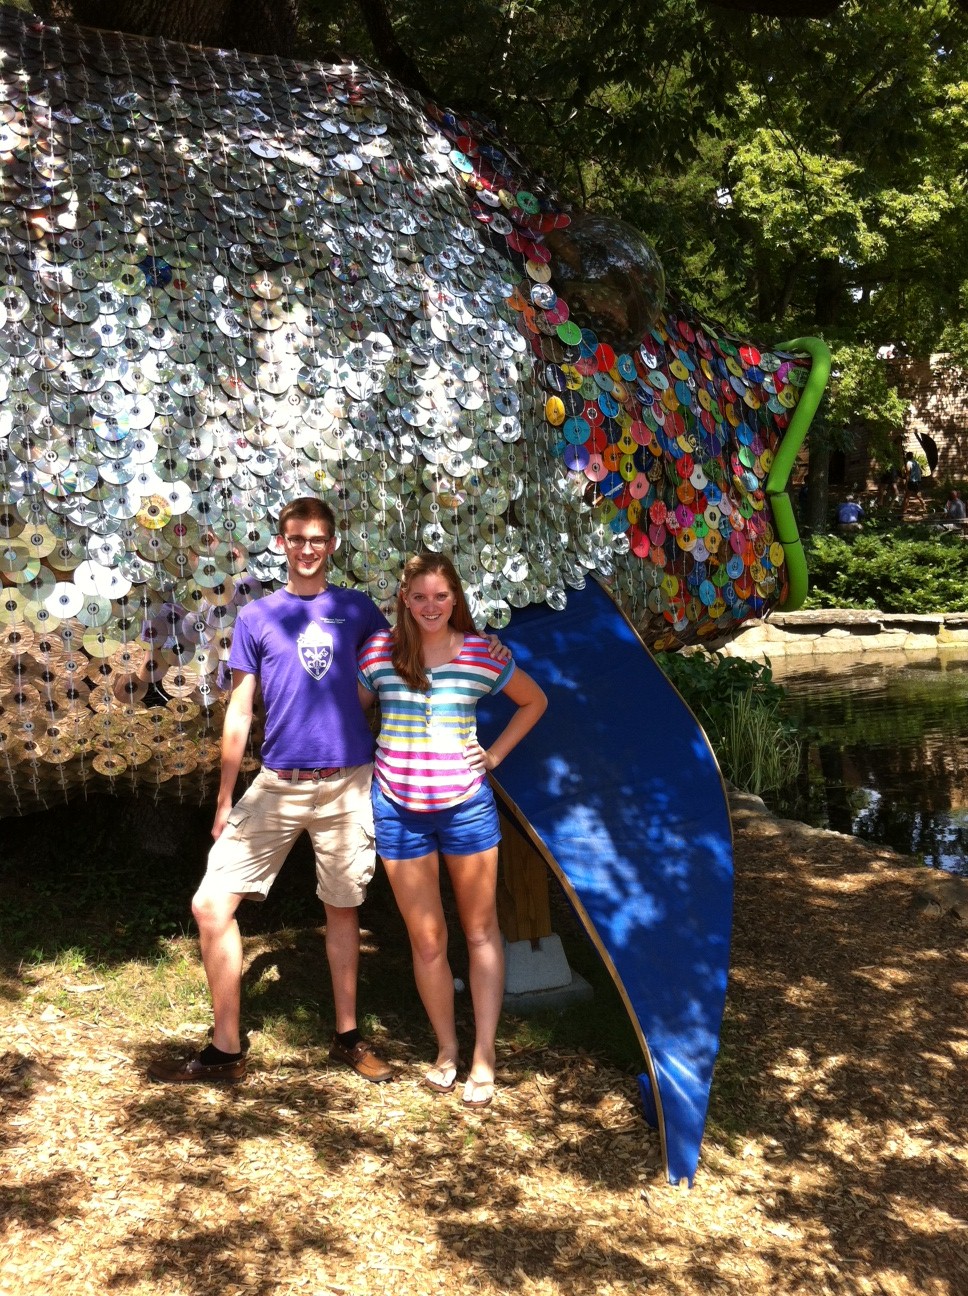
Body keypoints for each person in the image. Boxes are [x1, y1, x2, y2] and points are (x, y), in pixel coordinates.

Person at [357, 553, 547, 1109]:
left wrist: (494, 756)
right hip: (397, 808)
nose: (431, 606)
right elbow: (349, 713)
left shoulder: (483, 653)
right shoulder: (378, 653)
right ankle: (447, 1050)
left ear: (456, 598)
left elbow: (534, 701)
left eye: (441, 596)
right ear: (404, 600)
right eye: (420, 597)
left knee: (481, 932)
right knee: (427, 939)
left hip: (466, 809)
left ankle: (484, 1057)